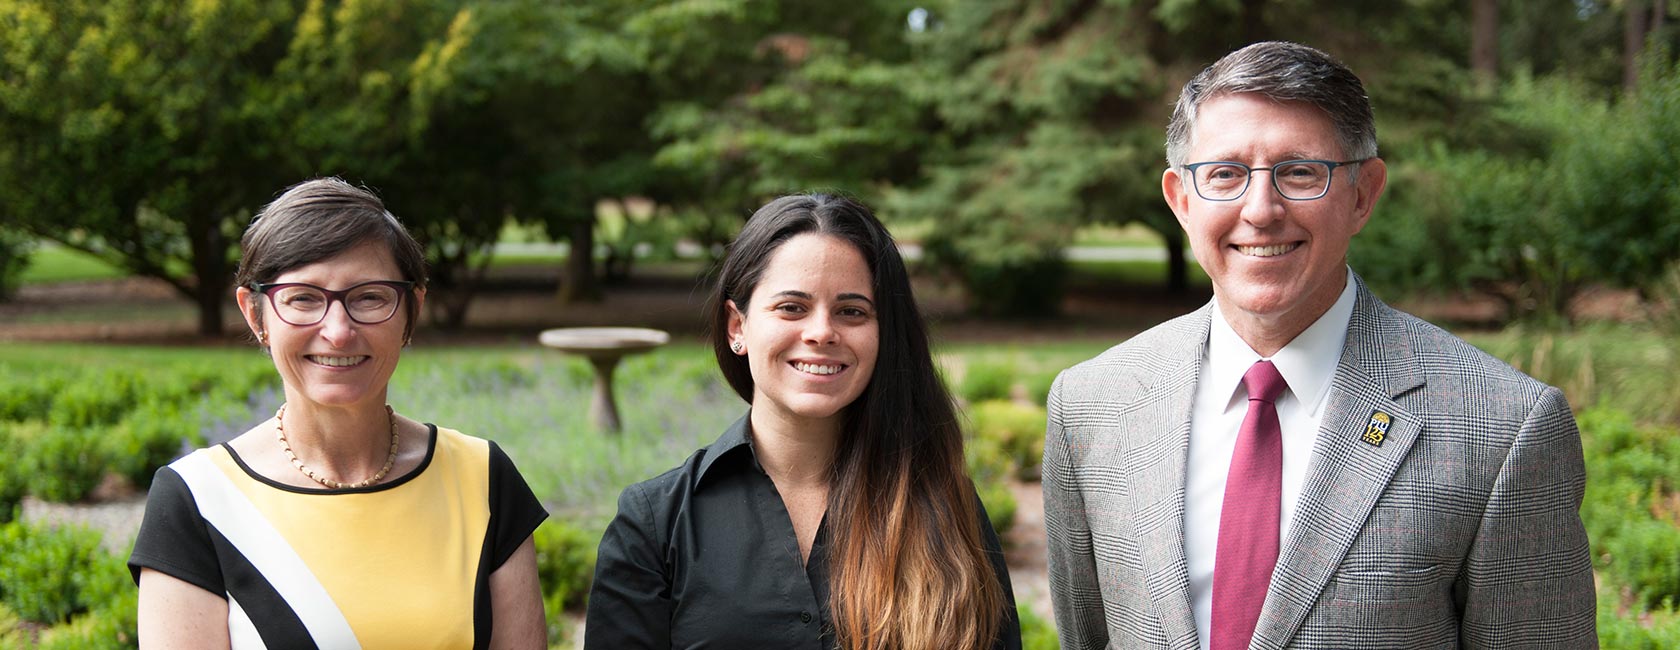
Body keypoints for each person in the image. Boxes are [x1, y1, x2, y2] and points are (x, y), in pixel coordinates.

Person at [1043, 41, 1596, 650]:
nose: (1260, 209)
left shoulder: (1502, 427)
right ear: (1180, 199)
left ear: (1363, 195)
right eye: (1225, 174)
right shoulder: (1092, 405)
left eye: (1300, 172)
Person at [584, 194, 1021, 650]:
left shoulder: (946, 505)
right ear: (738, 327)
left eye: (852, 311)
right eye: (792, 307)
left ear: (883, 332)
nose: (821, 332)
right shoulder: (655, 524)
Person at [129, 178, 548, 649]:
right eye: (303, 298)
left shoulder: (483, 478)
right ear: (254, 313)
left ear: (412, 309)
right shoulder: (199, 501)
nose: (338, 331)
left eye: (369, 297)